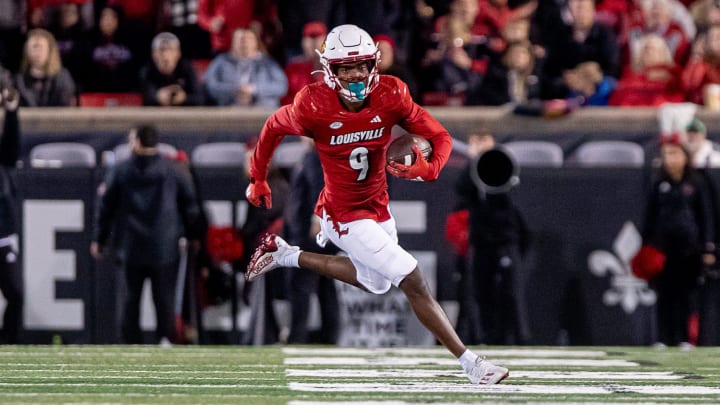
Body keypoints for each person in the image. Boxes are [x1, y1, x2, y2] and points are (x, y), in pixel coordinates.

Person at [244, 24, 508, 385]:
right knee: (412, 277)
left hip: (377, 207)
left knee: (377, 284)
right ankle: (472, 364)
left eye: (361, 65)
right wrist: (258, 177)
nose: (354, 74)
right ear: (329, 70)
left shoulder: (392, 93)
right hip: (342, 214)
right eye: (344, 67)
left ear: (374, 64)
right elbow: (273, 126)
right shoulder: (313, 102)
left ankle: (286, 255)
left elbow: (439, 136)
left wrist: (430, 168)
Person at [91, 124, 202, 344]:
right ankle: (166, 342)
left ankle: (131, 347)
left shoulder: (122, 170)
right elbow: (190, 206)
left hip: (130, 247)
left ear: (138, 141)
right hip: (165, 246)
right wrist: (193, 236)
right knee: (164, 302)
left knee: (129, 303)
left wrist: (99, 238)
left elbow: (106, 207)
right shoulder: (173, 169)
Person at [453, 133, 531, 345]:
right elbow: (462, 190)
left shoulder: (501, 160)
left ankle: (519, 338)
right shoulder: (473, 175)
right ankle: (482, 337)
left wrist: (492, 152)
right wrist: (473, 160)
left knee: (513, 292)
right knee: (479, 290)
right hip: (481, 237)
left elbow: (509, 187)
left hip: (505, 236)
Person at [640, 134, 715, 348]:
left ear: (685, 155)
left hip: (689, 249)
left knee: (685, 294)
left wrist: (708, 246)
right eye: (666, 154)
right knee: (664, 295)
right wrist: (646, 246)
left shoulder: (697, 182)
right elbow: (650, 217)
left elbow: (706, 215)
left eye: (674, 153)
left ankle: (684, 337)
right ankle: (664, 337)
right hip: (663, 249)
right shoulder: (659, 183)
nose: (670, 159)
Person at [283, 138, 339, 344]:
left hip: (310, 234)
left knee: (300, 285)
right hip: (317, 231)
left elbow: (321, 186)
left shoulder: (317, 155)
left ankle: (297, 337)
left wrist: (318, 219)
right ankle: (330, 335)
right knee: (325, 285)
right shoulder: (322, 154)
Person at [205, 28, 287, 107]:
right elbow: (211, 86)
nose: (244, 42)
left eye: (249, 39)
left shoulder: (268, 63)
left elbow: (281, 87)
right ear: (233, 42)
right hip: (229, 110)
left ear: (256, 42)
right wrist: (235, 90)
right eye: (240, 39)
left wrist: (253, 89)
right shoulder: (221, 61)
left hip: (262, 110)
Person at [0, 87, 23, 343]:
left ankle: (8, 341)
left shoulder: (3, 158)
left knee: (15, 293)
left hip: (3, 234)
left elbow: (11, 147)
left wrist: (12, 111)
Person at [14, 28, 77, 107]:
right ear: (26, 51)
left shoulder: (62, 78)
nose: (37, 52)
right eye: (34, 47)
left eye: (40, 47)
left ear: (50, 51)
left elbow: (65, 106)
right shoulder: (19, 80)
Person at [138, 32, 203, 106]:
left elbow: (200, 98)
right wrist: (157, 96)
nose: (165, 55)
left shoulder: (187, 68)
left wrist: (184, 98)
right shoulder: (148, 71)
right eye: (161, 50)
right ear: (153, 54)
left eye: (170, 49)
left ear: (178, 53)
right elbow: (144, 96)